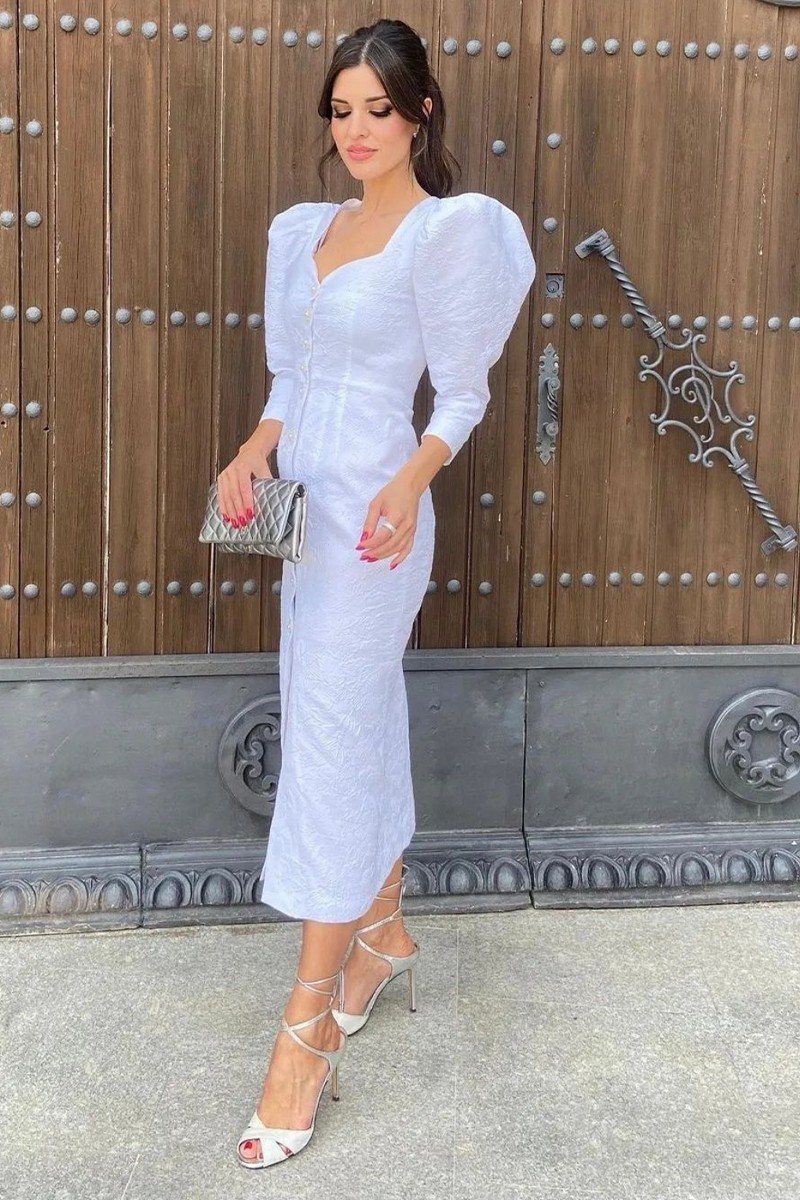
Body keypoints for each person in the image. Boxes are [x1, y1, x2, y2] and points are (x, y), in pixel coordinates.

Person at [215, 16, 535, 1169]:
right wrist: (250, 451)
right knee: (342, 718)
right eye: (340, 110)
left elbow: (461, 396)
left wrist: (408, 482)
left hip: (377, 520)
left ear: (419, 113)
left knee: (330, 736)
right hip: (303, 516)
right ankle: (382, 933)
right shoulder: (303, 230)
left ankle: (305, 1030)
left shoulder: (446, 234)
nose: (356, 130)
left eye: (378, 109)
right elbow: (288, 381)